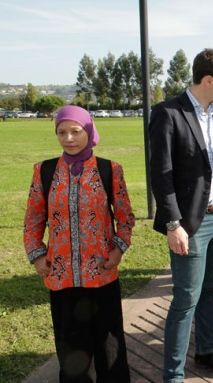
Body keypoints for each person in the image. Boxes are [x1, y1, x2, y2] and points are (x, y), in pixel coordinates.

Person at [23, 105, 135, 382]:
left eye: (75, 131)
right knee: (71, 344)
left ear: (89, 131)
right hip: (61, 276)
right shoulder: (45, 171)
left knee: (109, 343)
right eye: (61, 132)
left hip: (102, 273)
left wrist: (118, 248)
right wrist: (37, 254)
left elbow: (125, 216)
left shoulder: (110, 170)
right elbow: (33, 219)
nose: (68, 139)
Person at [149, 48, 213, 381]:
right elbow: (161, 174)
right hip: (190, 224)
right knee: (185, 299)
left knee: (211, 291)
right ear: (208, 80)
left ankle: (205, 352)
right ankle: (173, 376)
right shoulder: (167, 113)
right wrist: (174, 224)